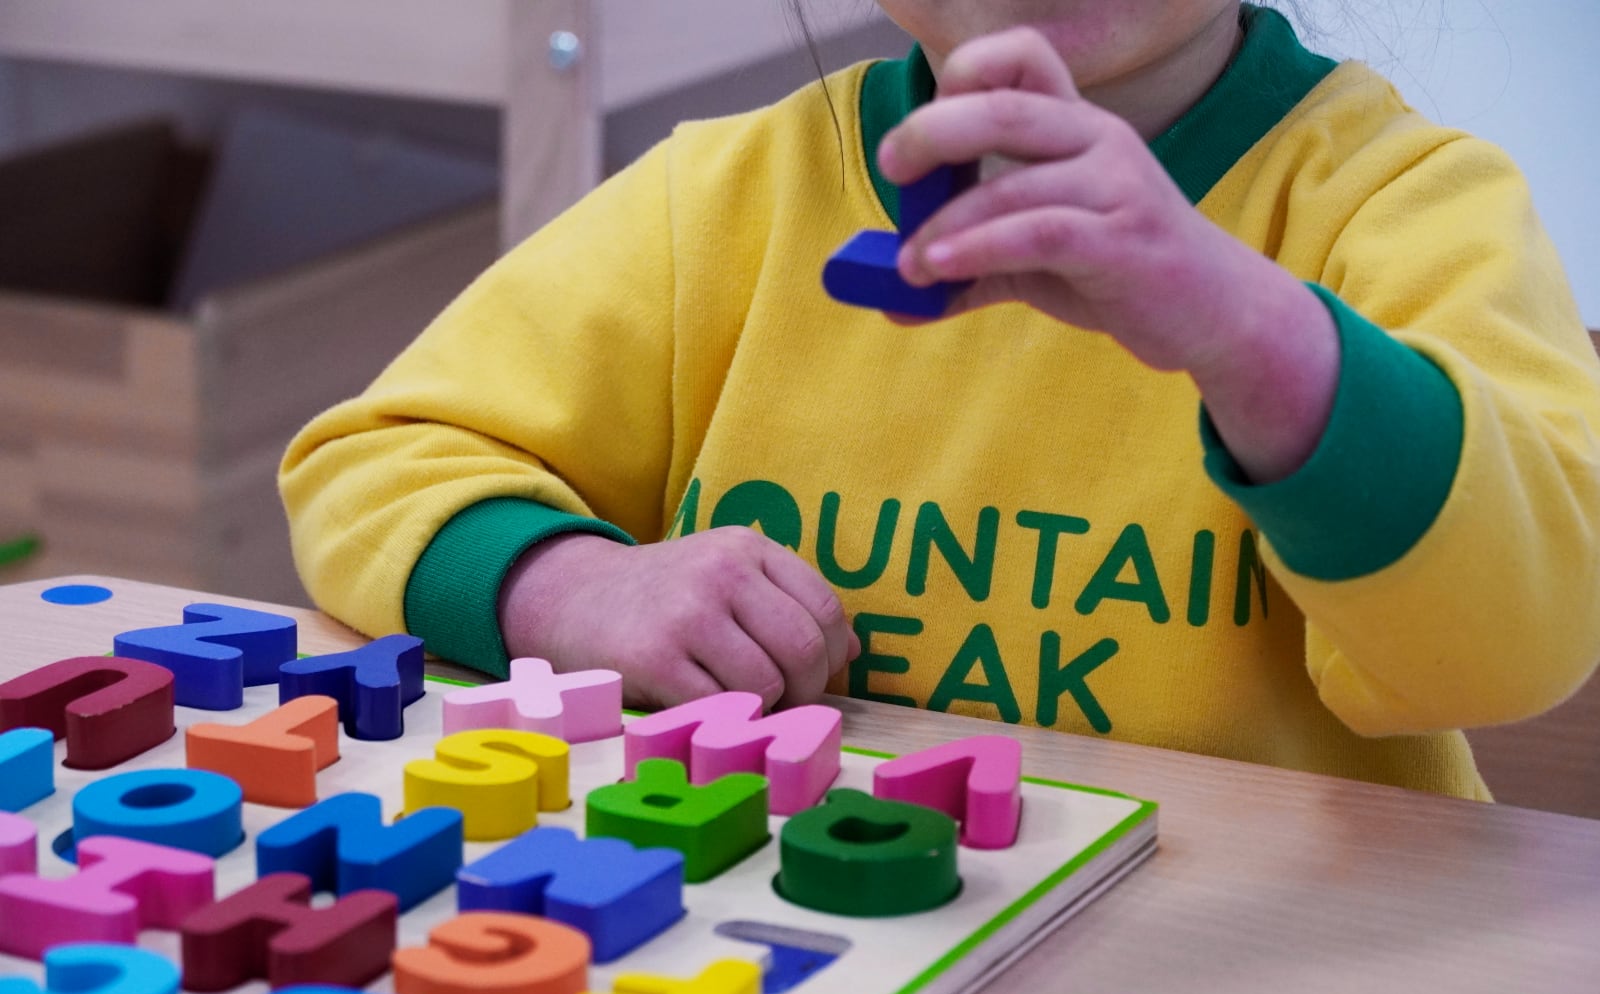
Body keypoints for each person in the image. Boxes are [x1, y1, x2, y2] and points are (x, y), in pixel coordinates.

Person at [280, 1, 1600, 800]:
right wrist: (568, 586)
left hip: (1252, 979)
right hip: (803, 948)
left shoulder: (1404, 202)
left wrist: (1254, 338)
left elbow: (1521, 643)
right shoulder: (723, 198)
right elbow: (373, 460)